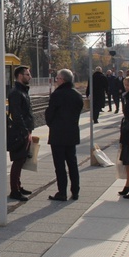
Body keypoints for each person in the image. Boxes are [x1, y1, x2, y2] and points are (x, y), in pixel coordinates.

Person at [45, 68, 83, 201]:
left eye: (57, 79)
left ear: (62, 80)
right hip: (72, 133)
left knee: (60, 165)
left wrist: (52, 124)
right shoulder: (77, 95)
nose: (56, 81)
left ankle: (62, 192)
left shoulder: (57, 95)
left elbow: (49, 114)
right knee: (72, 163)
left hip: (58, 134)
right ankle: (76, 191)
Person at [8, 66, 34, 201]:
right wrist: (25, 131)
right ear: (19, 76)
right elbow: (17, 114)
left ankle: (18, 185)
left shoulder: (22, 91)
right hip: (19, 133)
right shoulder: (16, 93)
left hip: (24, 131)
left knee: (21, 160)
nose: (29, 77)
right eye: (27, 74)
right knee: (18, 161)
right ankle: (14, 190)